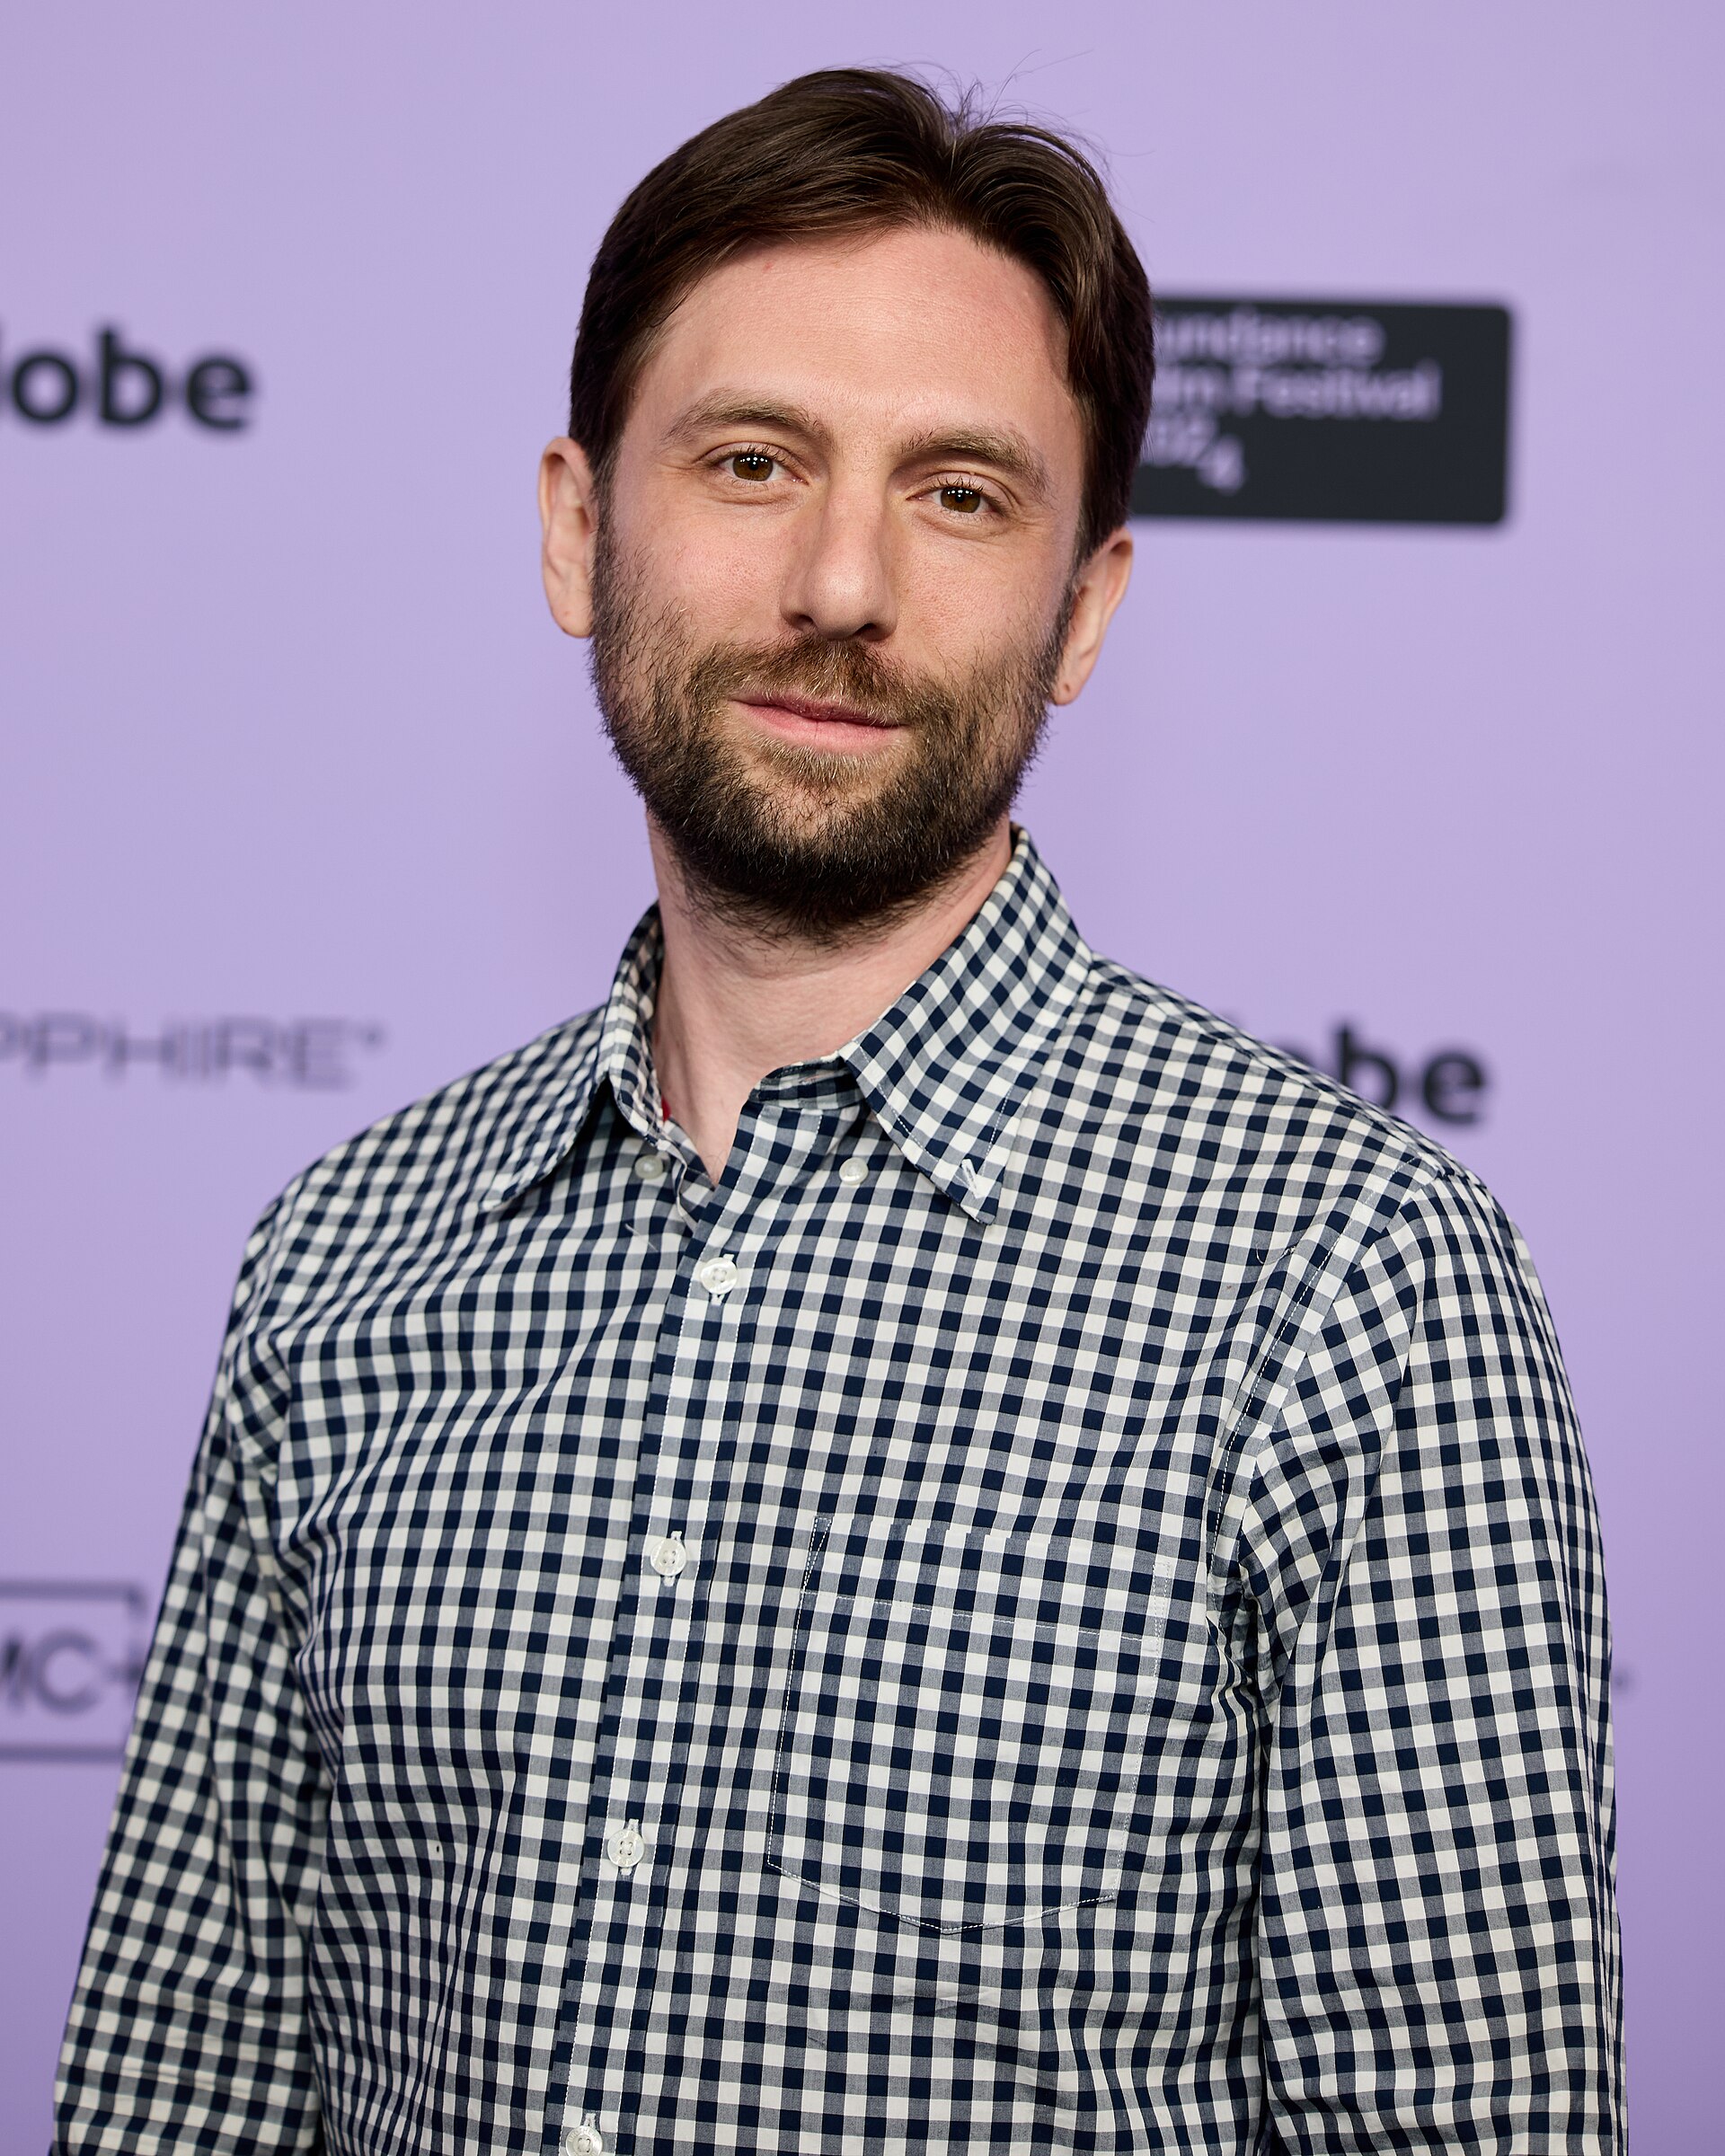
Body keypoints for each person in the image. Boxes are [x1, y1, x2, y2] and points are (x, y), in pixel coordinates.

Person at [56, 66, 1622, 2156]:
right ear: (574, 526)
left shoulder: (1350, 1286)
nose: (842, 583)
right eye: (752, 459)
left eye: (962, 494)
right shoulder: (345, 1253)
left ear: (1084, 611)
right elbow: (187, 2089)